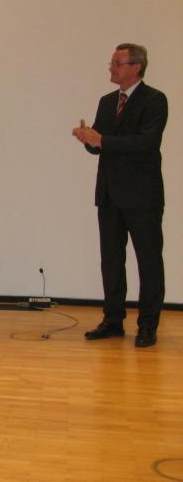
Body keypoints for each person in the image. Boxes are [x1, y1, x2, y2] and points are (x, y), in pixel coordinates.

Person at [72, 43, 167, 348]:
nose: (111, 68)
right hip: (110, 193)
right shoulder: (107, 101)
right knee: (111, 261)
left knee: (148, 261)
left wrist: (102, 140)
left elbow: (146, 143)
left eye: (117, 63)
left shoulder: (154, 100)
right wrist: (88, 140)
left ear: (136, 67)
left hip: (142, 196)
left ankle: (148, 325)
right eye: (112, 62)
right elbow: (101, 145)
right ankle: (112, 320)